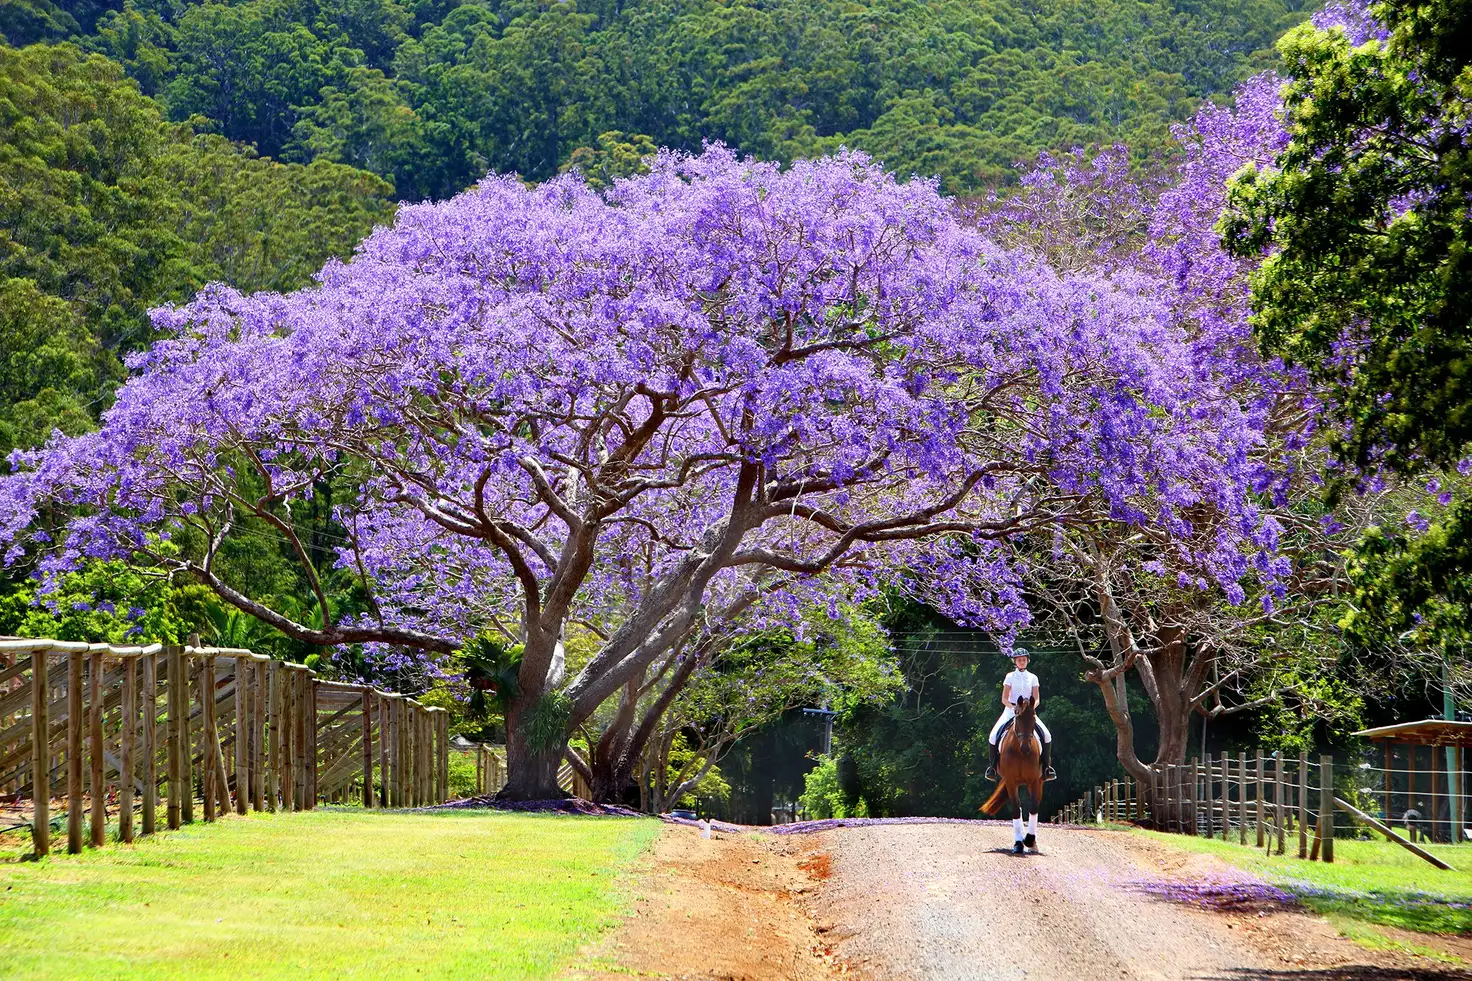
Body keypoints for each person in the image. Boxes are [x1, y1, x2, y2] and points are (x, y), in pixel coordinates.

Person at [985, 649, 1056, 782]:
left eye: (1023, 660)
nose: (1021, 662)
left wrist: (1029, 709)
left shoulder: (1033, 677)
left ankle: (1047, 768)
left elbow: (1037, 698)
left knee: (1046, 735)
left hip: (1028, 712)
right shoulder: (1010, 676)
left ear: (1027, 661)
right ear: (1015, 661)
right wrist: (1014, 708)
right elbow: (1004, 699)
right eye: (1019, 660)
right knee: (993, 735)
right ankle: (992, 768)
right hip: (1010, 710)